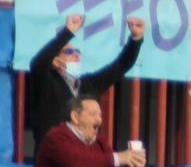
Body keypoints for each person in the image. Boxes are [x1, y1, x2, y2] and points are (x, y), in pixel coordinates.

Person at [28, 14, 146, 153]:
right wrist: (67, 32)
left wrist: (136, 39)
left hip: (83, 157)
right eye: (69, 52)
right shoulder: (46, 81)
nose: (76, 54)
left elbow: (120, 66)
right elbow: (38, 63)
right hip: (51, 157)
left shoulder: (88, 84)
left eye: (77, 51)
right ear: (56, 59)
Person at [34, 94, 146, 167]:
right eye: (93, 114)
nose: (99, 120)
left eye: (100, 115)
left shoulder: (101, 142)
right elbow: (77, 163)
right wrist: (118, 158)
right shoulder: (56, 137)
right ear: (75, 117)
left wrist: (132, 165)